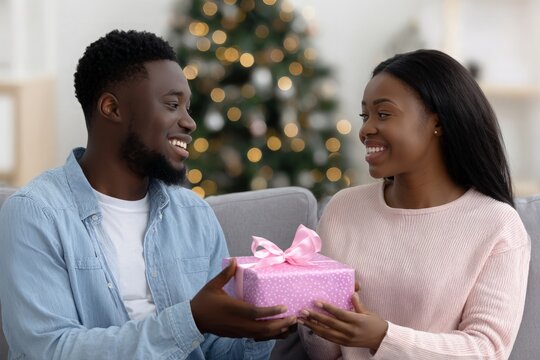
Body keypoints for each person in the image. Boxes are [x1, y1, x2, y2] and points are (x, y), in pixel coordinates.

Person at [0, 29, 296, 359]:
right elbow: (49, 350)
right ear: (112, 108)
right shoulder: (35, 212)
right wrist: (190, 320)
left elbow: (216, 351)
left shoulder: (193, 214)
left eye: (188, 107)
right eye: (172, 105)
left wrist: (260, 328)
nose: (189, 122)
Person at [298, 49, 531, 359]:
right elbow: (320, 352)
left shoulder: (497, 224)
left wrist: (382, 337)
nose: (366, 129)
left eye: (383, 114)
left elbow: (487, 349)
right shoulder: (343, 207)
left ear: (438, 121)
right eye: (364, 116)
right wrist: (321, 316)